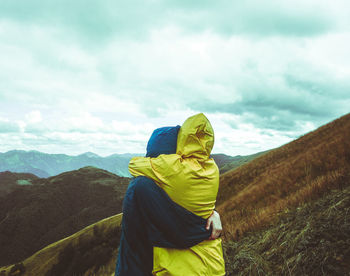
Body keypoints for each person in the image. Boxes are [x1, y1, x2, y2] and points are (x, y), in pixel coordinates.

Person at [115, 113, 225, 275]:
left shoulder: (147, 184)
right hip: (214, 266)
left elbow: (133, 164)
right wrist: (214, 214)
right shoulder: (211, 169)